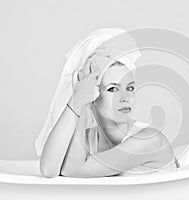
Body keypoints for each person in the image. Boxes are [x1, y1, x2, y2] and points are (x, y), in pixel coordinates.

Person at [39, 29, 180, 178]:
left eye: (130, 88)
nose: (125, 97)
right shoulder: (89, 138)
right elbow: (49, 170)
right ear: (93, 95)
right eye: (113, 89)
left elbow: (73, 171)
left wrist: (79, 101)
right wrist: (78, 99)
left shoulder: (150, 139)